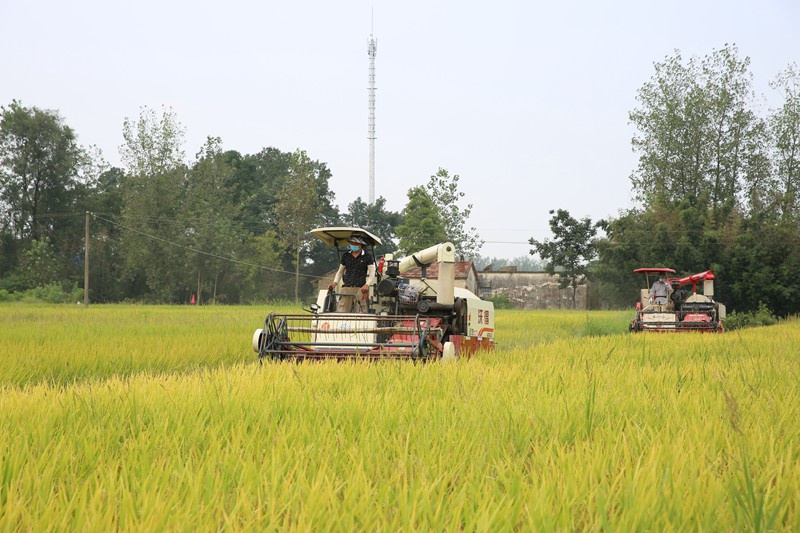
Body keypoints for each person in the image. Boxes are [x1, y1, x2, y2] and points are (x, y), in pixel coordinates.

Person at [328, 235, 376, 312]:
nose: (353, 245)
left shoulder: (367, 256)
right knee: (342, 311)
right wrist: (335, 282)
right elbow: (340, 272)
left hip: (361, 288)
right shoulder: (346, 256)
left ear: (361, 245)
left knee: (361, 312)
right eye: (352, 243)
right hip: (347, 287)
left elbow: (372, 273)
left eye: (355, 244)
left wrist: (367, 285)